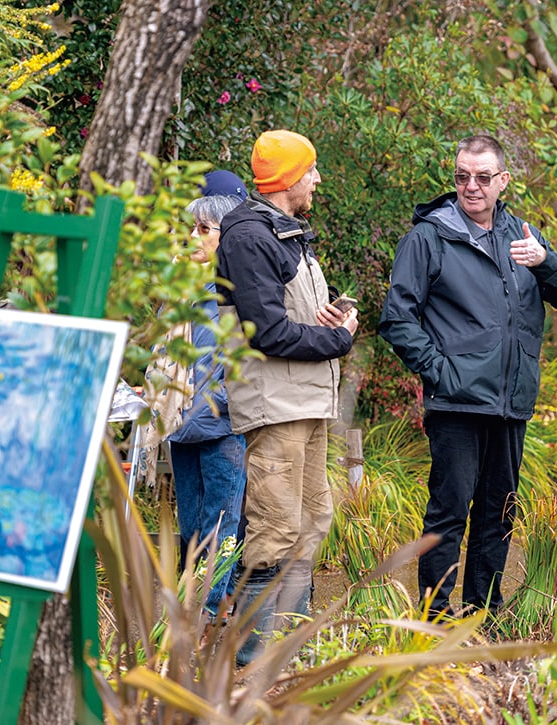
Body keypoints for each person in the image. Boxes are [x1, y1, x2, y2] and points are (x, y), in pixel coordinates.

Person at [378, 134, 557, 619]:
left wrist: (546, 261)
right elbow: (397, 318)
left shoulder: (521, 235)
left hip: (509, 401)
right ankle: (435, 618)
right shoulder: (428, 237)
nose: (471, 187)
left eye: (483, 177)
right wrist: (440, 372)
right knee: (449, 513)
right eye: (462, 176)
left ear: (503, 181)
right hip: (457, 403)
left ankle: (484, 614)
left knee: (498, 512)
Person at [215, 130, 357, 665]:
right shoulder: (250, 237)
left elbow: (289, 319)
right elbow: (266, 332)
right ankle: (251, 661)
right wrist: (337, 338)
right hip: (276, 409)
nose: (317, 179)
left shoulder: (286, 232)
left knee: (310, 525)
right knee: (274, 532)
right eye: (311, 170)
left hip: (308, 403)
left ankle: (289, 653)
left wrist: (330, 322)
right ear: (289, 179)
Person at [166, 173, 249, 621]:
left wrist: (221, 400)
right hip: (180, 425)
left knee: (223, 524)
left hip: (222, 426)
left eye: (204, 230)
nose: (193, 238)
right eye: (190, 229)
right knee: (191, 525)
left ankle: (211, 611)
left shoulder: (234, 288)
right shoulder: (179, 285)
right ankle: (189, 606)